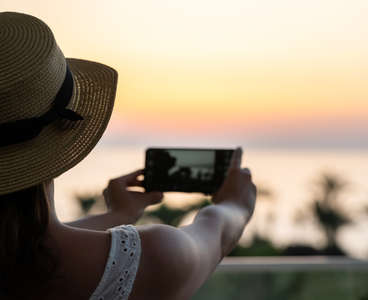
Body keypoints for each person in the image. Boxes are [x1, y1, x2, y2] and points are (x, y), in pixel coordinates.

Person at [0, 12, 257, 300]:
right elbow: (217, 235)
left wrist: (118, 215)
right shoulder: (155, 257)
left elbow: (23, 238)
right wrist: (236, 205)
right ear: (65, 129)